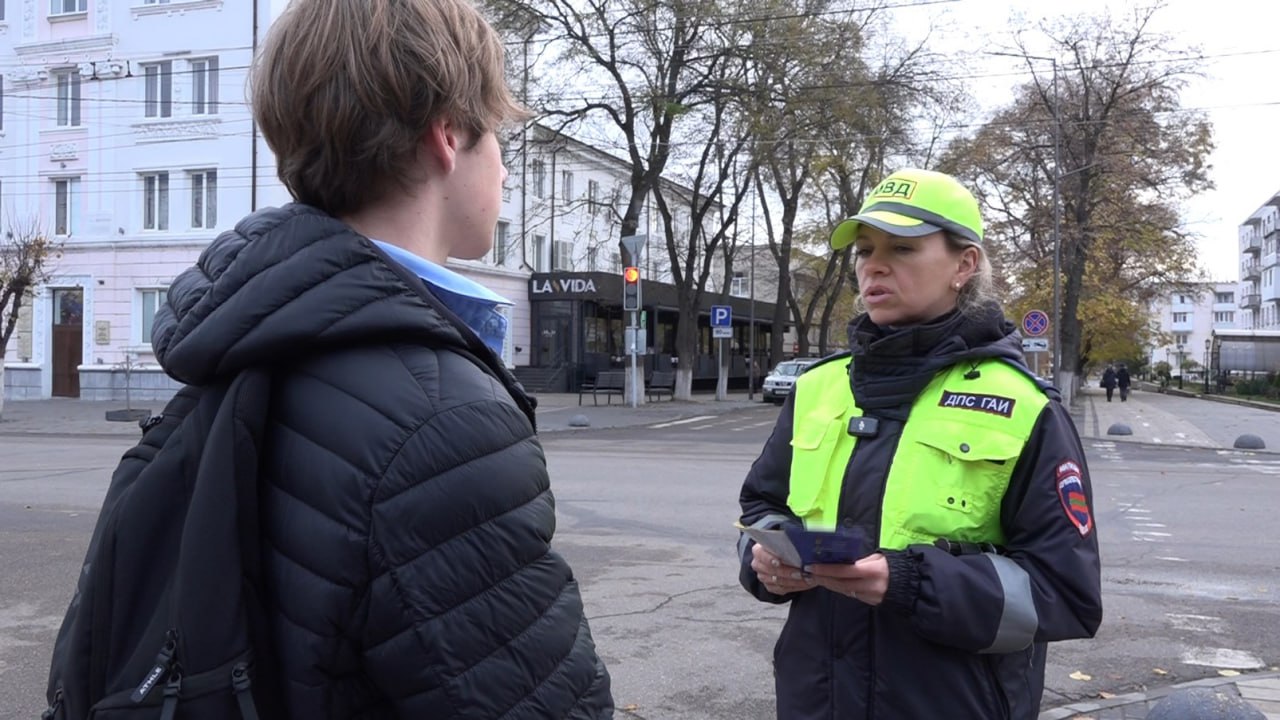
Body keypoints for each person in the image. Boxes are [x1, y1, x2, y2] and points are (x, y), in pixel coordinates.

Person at [148, 1, 613, 716]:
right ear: (450, 136)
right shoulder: (440, 418)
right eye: (499, 141)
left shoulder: (243, 344)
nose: (508, 174)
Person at [736, 168, 1102, 720]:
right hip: (815, 699)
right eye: (863, 250)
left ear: (964, 264)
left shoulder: (1025, 407)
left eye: (902, 248)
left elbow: (1066, 594)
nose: (873, 266)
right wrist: (764, 563)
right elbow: (760, 509)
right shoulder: (817, 387)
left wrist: (911, 583)